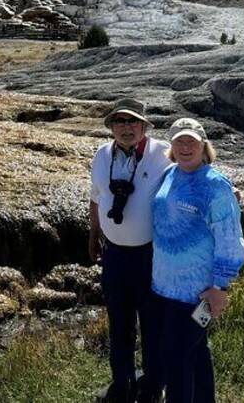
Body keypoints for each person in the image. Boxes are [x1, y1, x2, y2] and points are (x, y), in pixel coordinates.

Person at [151, 117, 244, 403]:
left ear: (204, 145)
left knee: (176, 356)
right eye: (179, 141)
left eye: (192, 140)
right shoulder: (170, 174)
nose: (185, 146)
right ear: (171, 146)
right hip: (166, 287)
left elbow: (231, 239)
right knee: (196, 352)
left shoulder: (215, 186)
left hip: (198, 292)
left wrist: (220, 287)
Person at [90, 98, 172, 402]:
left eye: (133, 121)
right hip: (114, 256)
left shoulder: (163, 152)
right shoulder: (101, 155)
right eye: (121, 121)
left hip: (150, 256)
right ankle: (121, 384)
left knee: (153, 323)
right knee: (119, 323)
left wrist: (225, 189)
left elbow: (195, 169)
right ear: (112, 126)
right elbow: (96, 197)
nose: (127, 127)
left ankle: (153, 387)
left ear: (144, 126)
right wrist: (94, 233)